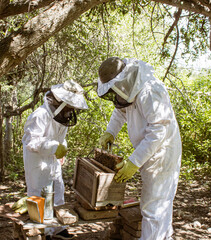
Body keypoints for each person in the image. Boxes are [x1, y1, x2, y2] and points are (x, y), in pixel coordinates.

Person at [98, 57, 182, 240]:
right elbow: (120, 111)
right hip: (151, 150)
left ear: (124, 78)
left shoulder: (150, 91)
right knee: (158, 203)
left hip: (162, 152)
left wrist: (134, 162)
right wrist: (110, 131)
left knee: (154, 206)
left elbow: (159, 130)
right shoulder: (127, 88)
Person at [22, 80, 88, 239]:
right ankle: (40, 230)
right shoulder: (40, 115)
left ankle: (57, 230)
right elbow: (31, 141)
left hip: (52, 159)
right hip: (36, 160)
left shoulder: (62, 116)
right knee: (37, 192)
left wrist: (61, 150)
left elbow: (60, 138)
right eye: (70, 106)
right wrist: (53, 147)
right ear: (61, 103)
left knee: (57, 190)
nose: (71, 110)